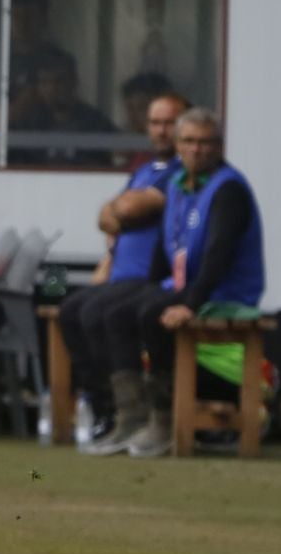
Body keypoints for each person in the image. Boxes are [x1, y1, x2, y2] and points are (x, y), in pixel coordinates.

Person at [98, 107, 262, 458]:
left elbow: (219, 256)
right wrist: (147, 286)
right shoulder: (178, 185)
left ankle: (164, 417)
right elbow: (164, 251)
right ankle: (129, 414)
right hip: (185, 286)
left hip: (224, 294)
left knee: (150, 314)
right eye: (189, 141)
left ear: (219, 146)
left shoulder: (228, 189)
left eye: (206, 142)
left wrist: (188, 303)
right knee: (115, 312)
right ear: (177, 146)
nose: (198, 149)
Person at [68, 92, 188, 453]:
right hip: (118, 276)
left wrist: (120, 210)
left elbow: (130, 207)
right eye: (155, 122)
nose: (161, 130)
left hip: (148, 279)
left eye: (169, 122)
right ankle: (104, 406)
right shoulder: (144, 170)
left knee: (99, 312)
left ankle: (137, 413)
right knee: (69, 309)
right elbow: (106, 218)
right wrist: (119, 211)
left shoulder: (182, 172)